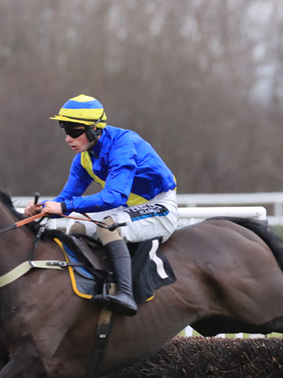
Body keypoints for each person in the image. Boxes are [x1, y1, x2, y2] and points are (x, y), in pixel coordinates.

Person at [24, 94, 178, 316]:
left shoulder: (123, 145)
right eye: (65, 130)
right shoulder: (83, 157)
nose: (67, 138)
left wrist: (64, 207)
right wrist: (45, 208)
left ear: (95, 129)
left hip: (159, 206)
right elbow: (66, 198)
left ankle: (125, 293)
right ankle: (87, 283)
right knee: (77, 227)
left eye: (73, 131)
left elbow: (115, 196)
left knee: (107, 226)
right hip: (125, 208)